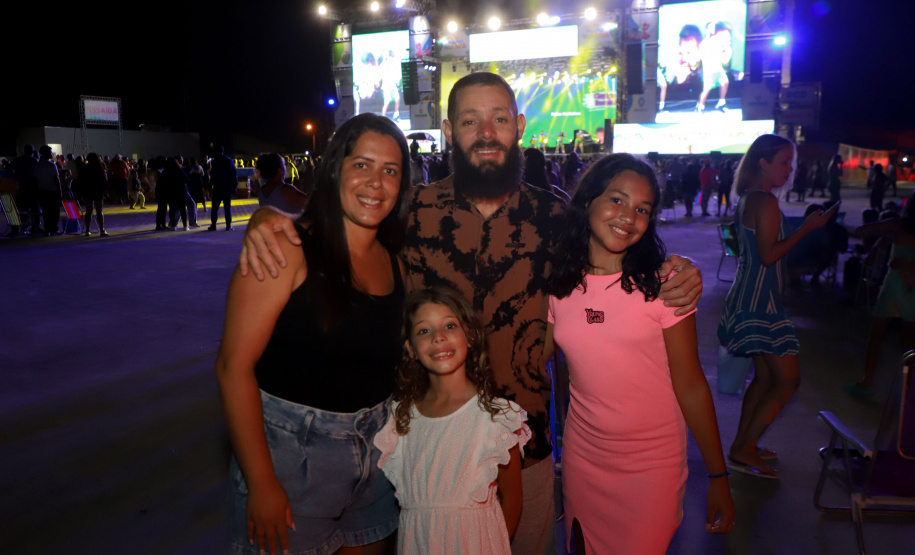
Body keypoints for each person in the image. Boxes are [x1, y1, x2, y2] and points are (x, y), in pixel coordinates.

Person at [238, 72, 703, 555]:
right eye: (470, 121)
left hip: (528, 448)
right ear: (447, 130)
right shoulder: (410, 212)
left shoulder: (557, 219)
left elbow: (619, 255)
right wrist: (273, 220)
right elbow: (343, 231)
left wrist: (676, 268)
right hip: (427, 445)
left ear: (519, 125)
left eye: (498, 119)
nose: (485, 132)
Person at [215, 113, 411, 555]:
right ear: (335, 169)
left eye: (390, 170)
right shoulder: (285, 247)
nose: (375, 182)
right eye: (361, 164)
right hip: (291, 462)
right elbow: (233, 368)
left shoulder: (396, 264)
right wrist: (262, 483)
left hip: (377, 463)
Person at [546, 153, 735, 553]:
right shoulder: (558, 284)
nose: (628, 217)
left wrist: (718, 476)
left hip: (651, 467)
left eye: (642, 209)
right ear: (588, 201)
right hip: (584, 461)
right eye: (617, 200)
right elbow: (530, 360)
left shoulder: (664, 286)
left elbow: (691, 385)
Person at [373, 285, 528, 554]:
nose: (438, 338)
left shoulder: (497, 418)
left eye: (450, 326)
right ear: (410, 348)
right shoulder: (401, 419)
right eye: (424, 330)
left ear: (469, 336)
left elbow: (512, 500)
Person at [717, 134, 834, 479]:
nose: (790, 169)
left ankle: (745, 445)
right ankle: (743, 447)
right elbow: (768, 255)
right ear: (763, 163)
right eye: (784, 162)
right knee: (787, 380)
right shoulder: (765, 202)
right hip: (758, 302)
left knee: (766, 377)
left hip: (751, 295)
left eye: (791, 162)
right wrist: (808, 229)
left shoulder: (750, 199)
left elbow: (759, 254)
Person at [846, 194, 915, 395]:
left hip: (894, 285)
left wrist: (885, 231)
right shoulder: (897, 226)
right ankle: (908, 389)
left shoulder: (897, 225)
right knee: (909, 342)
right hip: (912, 288)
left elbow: (861, 231)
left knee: (877, 336)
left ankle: (867, 381)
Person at [254, 152, 308, 217]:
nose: (285, 168)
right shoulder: (286, 191)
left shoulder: (261, 191)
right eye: (284, 165)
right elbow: (312, 204)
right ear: (280, 170)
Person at [34, 145, 62, 236]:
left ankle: (47, 229)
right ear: (46, 153)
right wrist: (60, 191)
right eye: (50, 152)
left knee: (46, 212)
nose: (51, 154)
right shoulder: (52, 165)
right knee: (54, 211)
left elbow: (35, 179)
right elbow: (56, 179)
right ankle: (54, 229)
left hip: (41, 191)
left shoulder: (37, 165)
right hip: (52, 191)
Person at [81, 153, 109, 237]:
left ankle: (87, 230)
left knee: (88, 211)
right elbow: (105, 180)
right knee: (99, 211)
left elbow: (82, 180)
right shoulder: (100, 168)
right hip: (98, 190)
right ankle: (102, 229)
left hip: (88, 191)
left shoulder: (85, 168)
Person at [209, 146, 237, 231]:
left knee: (215, 207)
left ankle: (213, 225)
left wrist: (211, 185)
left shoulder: (214, 161)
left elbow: (212, 174)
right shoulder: (229, 160)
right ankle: (228, 226)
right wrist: (235, 186)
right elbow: (233, 174)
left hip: (218, 186)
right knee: (227, 207)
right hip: (227, 186)